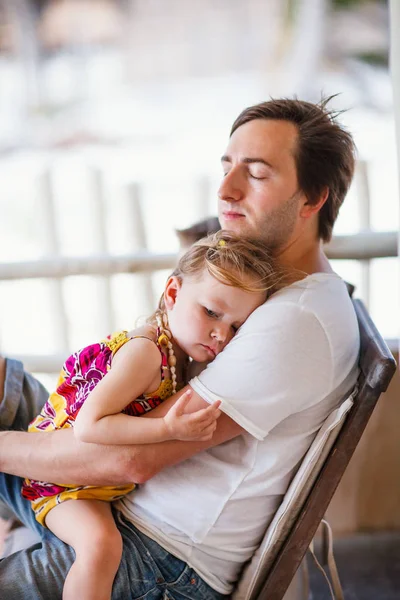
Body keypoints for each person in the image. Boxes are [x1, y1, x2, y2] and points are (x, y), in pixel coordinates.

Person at [0, 97, 360, 600]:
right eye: (227, 166)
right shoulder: (279, 289)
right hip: (124, 497)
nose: (226, 190)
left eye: (255, 174)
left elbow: (128, 461)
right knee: (4, 384)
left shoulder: (295, 322)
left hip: (154, 553)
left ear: (312, 197)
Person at [18, 231, 283, 600]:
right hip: (65, 482)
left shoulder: (180, 355)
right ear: (172, 293)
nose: (221, 334)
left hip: (92, 481)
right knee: (101, 547)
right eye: (211, 312)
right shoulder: (146, 355)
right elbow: (88, 426)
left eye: (236, 326)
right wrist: (166, 427)